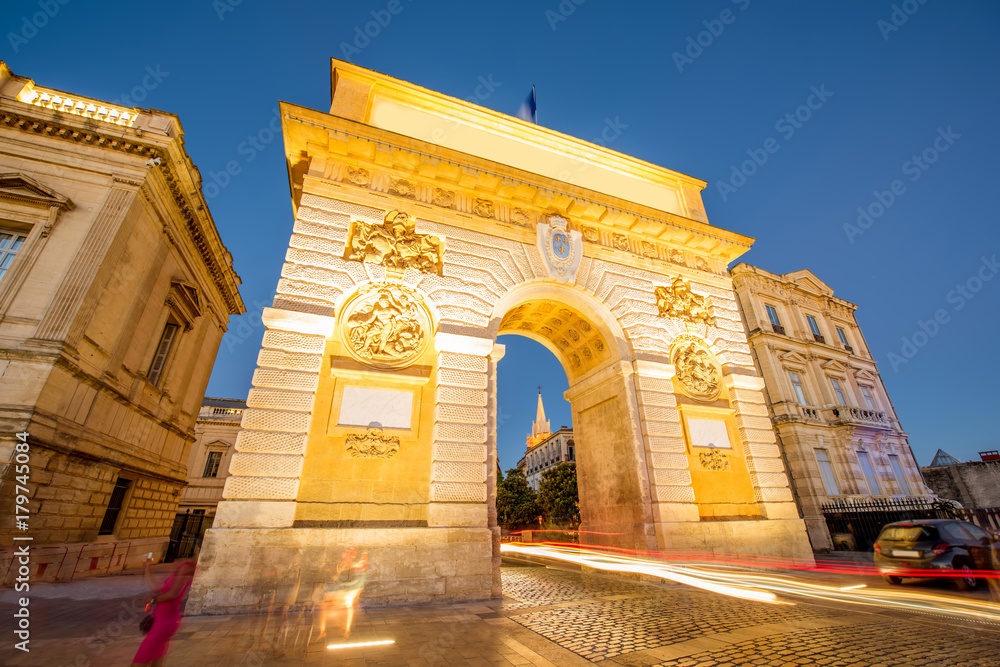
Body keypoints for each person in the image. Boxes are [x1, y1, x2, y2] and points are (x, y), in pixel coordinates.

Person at [131, 555, 195, 666]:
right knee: (156, 663)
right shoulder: (179, 569)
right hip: (160, 620)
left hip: (164, 622)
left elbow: (173, 594)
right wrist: (147, 567)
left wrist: (153, 600)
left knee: (139, 662)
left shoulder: (186, 568)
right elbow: (157, 587)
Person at [317, 548, 368, 641]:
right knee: (327, 603)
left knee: (348, 603)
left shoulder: (357, 562)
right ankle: (323, 631)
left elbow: (360, 565)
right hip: (349, 581)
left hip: (356, 581)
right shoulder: (343, 563)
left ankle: (347, 630)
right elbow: (340, 572)